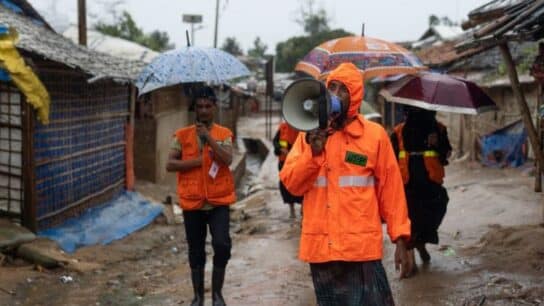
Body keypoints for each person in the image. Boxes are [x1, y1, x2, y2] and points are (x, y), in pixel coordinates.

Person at [279, 63, 412, 306]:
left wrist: (401, 239)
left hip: (361, 250)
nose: (335, 95)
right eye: (331, 87)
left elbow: (391, 192)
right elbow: (292, 185)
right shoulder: (308, 135)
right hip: (322, 249)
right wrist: (313, 153)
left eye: (343, 90)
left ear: (355, 98)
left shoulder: (374, 136)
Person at [166, 86, 235, 306]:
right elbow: (169, 164)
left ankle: (217, 294)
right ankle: (198, 296)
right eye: (199, 107)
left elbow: (227, 159)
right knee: (196, 250)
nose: (203, 110)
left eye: (207, 106)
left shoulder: (224, 134)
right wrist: (195, 162)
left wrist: (209, 138)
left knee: (222, 244)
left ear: (214, 107)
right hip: (193, 202)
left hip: (218, 202)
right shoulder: (182, 135)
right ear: (194, 109)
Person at [390, 106, 452, 270]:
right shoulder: (398, 132)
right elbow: (389, 160)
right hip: (407, 185)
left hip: (431, 185)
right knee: (410, 220)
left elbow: (446, 155)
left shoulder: (439, 129)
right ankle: (410, 259)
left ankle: (420, 244)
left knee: (433, 215)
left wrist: (437, 144)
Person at [272, 121, 303, 218]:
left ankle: (303, 207)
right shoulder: (283, 127)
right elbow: (275, 141)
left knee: (301, 183)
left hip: (299, 163)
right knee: (286, 185)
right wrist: (281, 149)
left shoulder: (303, 127)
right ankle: (291, 209)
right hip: (284, 162)